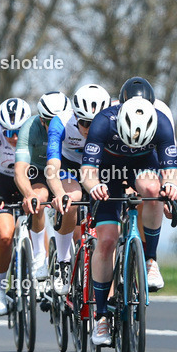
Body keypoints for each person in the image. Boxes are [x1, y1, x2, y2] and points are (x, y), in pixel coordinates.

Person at [79, 77, 177, 346]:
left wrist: (169, 187)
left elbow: (170, 171)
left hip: (144, 166)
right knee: (107, 240)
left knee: (152, 188)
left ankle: (150, 261)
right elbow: (87, 172)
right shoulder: (103, 121)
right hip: (108, 172)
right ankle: (100, 318)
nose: (134, 143)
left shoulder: (162, 123)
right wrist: (94, 186)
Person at [45, 84, 110, 295]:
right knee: (72, 199)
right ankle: (63, 261)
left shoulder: (113, 124)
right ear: (74, 115)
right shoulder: (60, 123)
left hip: (99, 168)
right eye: (83, 122)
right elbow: (52, 167)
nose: (88, 129)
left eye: (94, 123)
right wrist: (59, 193)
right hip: (69, 167)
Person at [14, 91, 70, 281]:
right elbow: (20, 170)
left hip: (64, 171)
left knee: (74, 207)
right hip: (39, 172)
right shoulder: (29, 128)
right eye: (48, 120)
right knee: (38, 199)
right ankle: (39, 254)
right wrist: (29, 194)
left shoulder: (72, 124)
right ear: (41, 119)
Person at [0, 97, 32, 315]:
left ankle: (40, 272)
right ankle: (0, 289)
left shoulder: (34, 131)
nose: (12, 138)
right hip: (2, 183)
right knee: (4, 235)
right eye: (8, 132)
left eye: (17, 132)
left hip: (28, 182)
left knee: (38, 222)